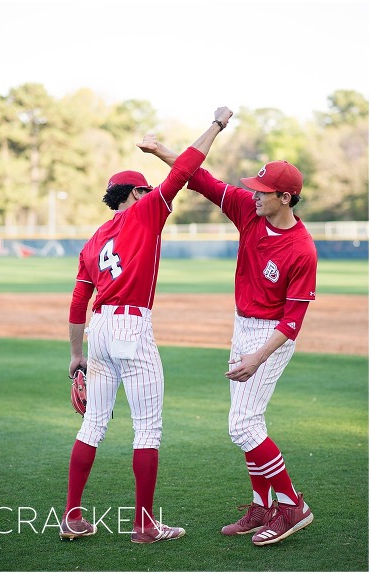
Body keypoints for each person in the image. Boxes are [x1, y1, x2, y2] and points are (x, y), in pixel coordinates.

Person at [60, 107, 233, 544]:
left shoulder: (94, 239)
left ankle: (72, 516)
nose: (153, 192)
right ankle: (143, 525)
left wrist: (76, 355)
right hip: (131, 329)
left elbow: (79, 301)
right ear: (135, 193)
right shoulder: (147, 211)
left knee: (93, 424)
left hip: (98, 331)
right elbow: (188, 168)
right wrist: (215, 125)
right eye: (146, 189)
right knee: (147, 428)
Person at [140, 137, 317, 546]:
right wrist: (161, 150)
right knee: (248, 420)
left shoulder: (302, 249)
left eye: (264, 192)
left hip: (271, 336)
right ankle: (261, 505)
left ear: (286, 198)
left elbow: (293, 322)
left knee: (242, 425)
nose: (253, 196)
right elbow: (199, 179)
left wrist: (256, 357)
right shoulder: (247, 209)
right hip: (243, 325)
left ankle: (291, 505)